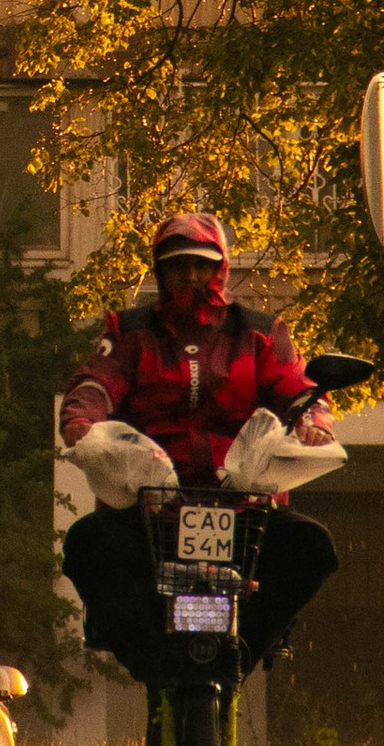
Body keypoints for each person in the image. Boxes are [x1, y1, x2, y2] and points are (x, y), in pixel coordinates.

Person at [57, 211, 339, 678]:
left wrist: (313, 420)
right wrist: (81, 420)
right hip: (148, 511)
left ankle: (242, 652)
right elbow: (96, 382)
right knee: (87, 545)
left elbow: (300, 389)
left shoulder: (261, 332)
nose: (190, 276)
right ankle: (151, 664)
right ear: (159, 271)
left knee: (313, 547)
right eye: (177, 265)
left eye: (201, 265)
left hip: (246, 510)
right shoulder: (128, 332)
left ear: (221, 268)